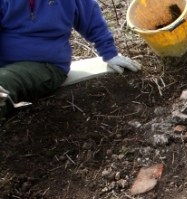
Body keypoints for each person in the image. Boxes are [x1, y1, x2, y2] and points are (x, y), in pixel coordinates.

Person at [0, 0, 142, 120]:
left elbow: (91, 17)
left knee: (3, 83)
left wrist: (109, 53)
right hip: (4, 65)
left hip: (45, 65)